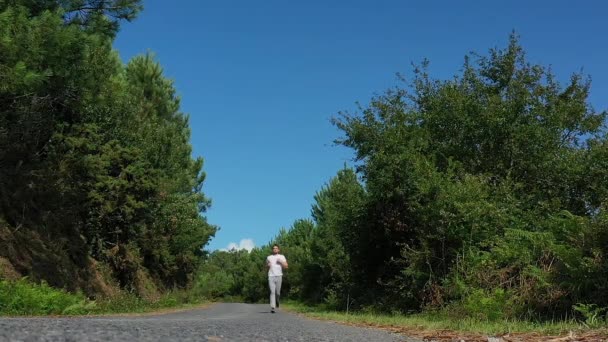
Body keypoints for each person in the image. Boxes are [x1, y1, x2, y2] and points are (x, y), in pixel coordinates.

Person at [266, 244, 288, 313]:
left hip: (279, 276)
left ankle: (277, 301)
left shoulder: (282, 256)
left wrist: (281, 262)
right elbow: (266, 266)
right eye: (273, 248)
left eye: (276, 248)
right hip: (271, 276)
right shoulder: (269, 257)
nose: (275, 249)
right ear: (272, 250)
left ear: (278, 250)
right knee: (272, 292)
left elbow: (286, 266)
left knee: (277, 293)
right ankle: (273, 307)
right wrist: (267, 265)